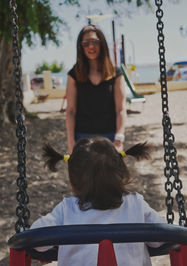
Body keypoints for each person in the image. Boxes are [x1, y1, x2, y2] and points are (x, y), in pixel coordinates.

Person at [31, 137, 165, 266]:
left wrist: (51, 246)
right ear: (122, 171)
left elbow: (35, 240)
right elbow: (162, 238)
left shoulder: (66, 210)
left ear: (73, 181)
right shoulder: (136, 204)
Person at [65, 24, 126, 154]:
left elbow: (120, 109)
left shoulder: (116, 73)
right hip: (82, 138)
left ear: (102, 44)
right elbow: (70, 111)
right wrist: (71, 142)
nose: (91, 46)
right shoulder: (74, 75)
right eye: (86, 43)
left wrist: (119, 138)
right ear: (81, 47)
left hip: (110, 138)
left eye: (94, 42)